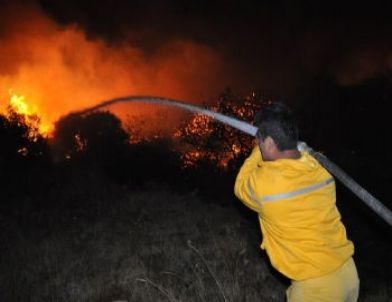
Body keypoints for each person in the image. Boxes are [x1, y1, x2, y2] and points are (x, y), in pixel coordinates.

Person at [234, 102, 359, 302]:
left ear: (270, 144)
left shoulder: (264, 185)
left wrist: (257, 151)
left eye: (261, 141)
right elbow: (297, 156)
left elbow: (240, 186)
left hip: (317, 290)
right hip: (347, 273)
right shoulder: (319, 167)